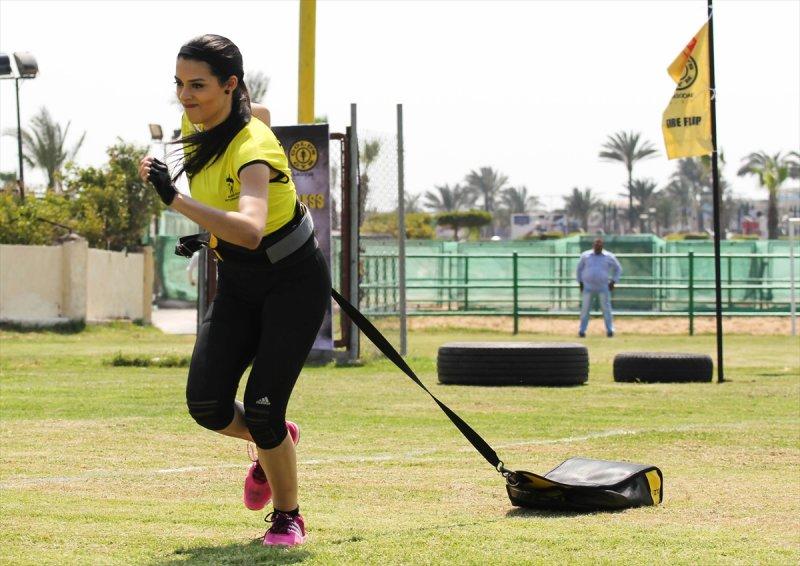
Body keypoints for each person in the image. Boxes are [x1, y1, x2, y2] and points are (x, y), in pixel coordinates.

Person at [138, 34, 330, 547]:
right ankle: (277, 441)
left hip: (293, 283)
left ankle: (288, 517)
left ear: (229, 85)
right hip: (240, 283)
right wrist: (205, 230)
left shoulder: (253, 148)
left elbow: (249, 229)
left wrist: (175, 200)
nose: (185, 96)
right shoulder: (200, 122)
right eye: (179, 84)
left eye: (198, 85)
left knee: (263, 409)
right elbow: (260, 111)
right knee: (207, 405)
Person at [576, 238, 622, 337]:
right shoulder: (585, 255)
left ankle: (610, 330)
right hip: (588, 286)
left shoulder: (609, 256)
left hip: (603, 287)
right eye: (596, 245)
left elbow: (618, 268)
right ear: (593, 245)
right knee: (585, 309)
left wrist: (613, 281)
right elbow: (579, 269)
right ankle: (582, 331)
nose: (597, 247)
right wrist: (580, 282)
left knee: (606, 309)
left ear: (602, 246)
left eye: (599, 245)